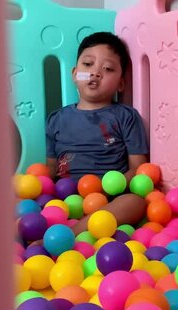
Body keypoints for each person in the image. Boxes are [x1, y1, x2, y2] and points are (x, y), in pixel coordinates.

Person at [45, 32, 149, 234]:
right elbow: (49, 171)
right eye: (87, 64)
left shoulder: (125, 116)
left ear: (120, 83)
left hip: (108, 200)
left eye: (107, 68)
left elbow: (138, 167)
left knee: (135, 202)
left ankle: (71, 235)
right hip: (65, 200)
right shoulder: (56, 119)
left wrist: (105, 188)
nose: (95, 73)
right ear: (75, 74)